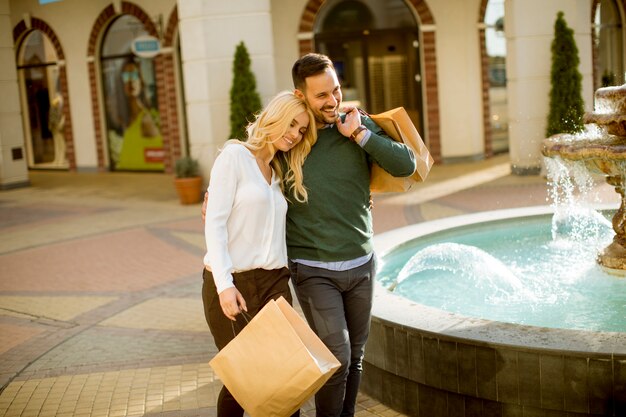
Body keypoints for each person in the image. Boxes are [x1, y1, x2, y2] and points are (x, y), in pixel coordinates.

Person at [286, 53, 416, 417]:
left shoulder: (356, 124)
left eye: (336, 91)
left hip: (362, 263)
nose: (332, 102)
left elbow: (407, 164)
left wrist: (359, 134)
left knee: (355, 357)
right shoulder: (290, 137)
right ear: (301, 96)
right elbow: (253, 162)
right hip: (313, 268)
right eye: (321, 96)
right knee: (337, 359)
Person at [202, 91, 316, 417]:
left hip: (274, 282)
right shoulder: (234, 157)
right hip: (231, 282)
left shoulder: (280, 172)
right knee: (243, 380)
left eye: (301, 130)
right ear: (274, 116)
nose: (294, 134)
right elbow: (216, 224)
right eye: (291, 124)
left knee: (284, 375)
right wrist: (225, 285)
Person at [112, 58, 164, 170]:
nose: (131, 80)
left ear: (140, 79)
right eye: (126, 76)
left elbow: (159, 155)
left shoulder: (146, 119)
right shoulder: (123, 118)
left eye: (134, 75)